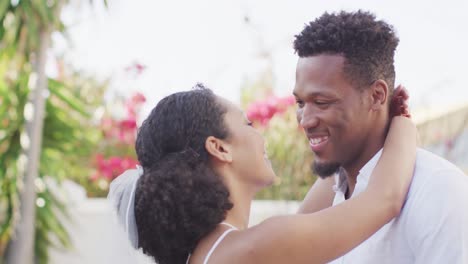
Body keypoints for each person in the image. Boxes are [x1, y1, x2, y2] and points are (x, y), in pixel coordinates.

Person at [108, 84, 416, 264]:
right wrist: (400, 115)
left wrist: (352, 137)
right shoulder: (251, 248)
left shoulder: (218, 251)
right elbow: (384, 200)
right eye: (248, 125)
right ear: (220, 148)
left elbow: (314, 211)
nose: (260, 137)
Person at [293, 10, 468, 264]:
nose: (305, 120)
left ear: (376, 96)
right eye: (300, 102)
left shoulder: (437, 190)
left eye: (321, 102)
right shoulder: (329, 198)